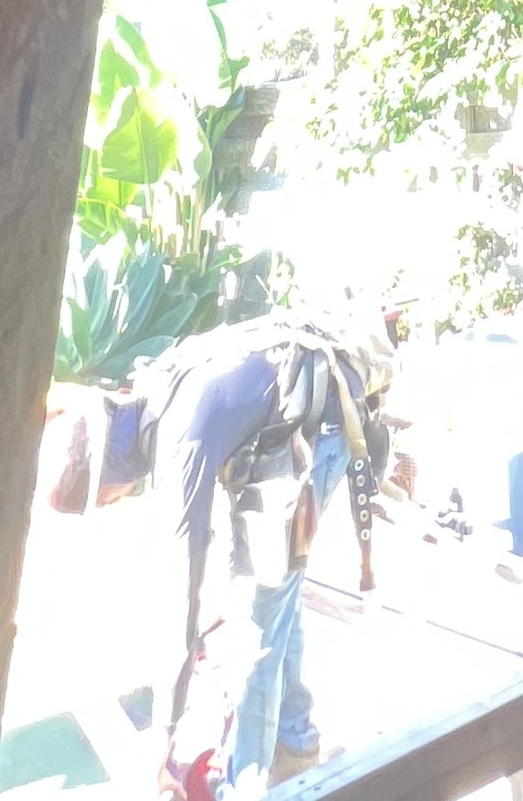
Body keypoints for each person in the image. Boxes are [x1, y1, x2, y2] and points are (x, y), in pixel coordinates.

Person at [138, 320, 391, 797]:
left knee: (259, 618)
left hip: (322, 426)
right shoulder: (152, 396)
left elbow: (181, 598)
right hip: (293, 425)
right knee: (279, 593)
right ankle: (295, 741)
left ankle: (245, 785)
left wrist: (161, 739)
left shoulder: (180, 442)